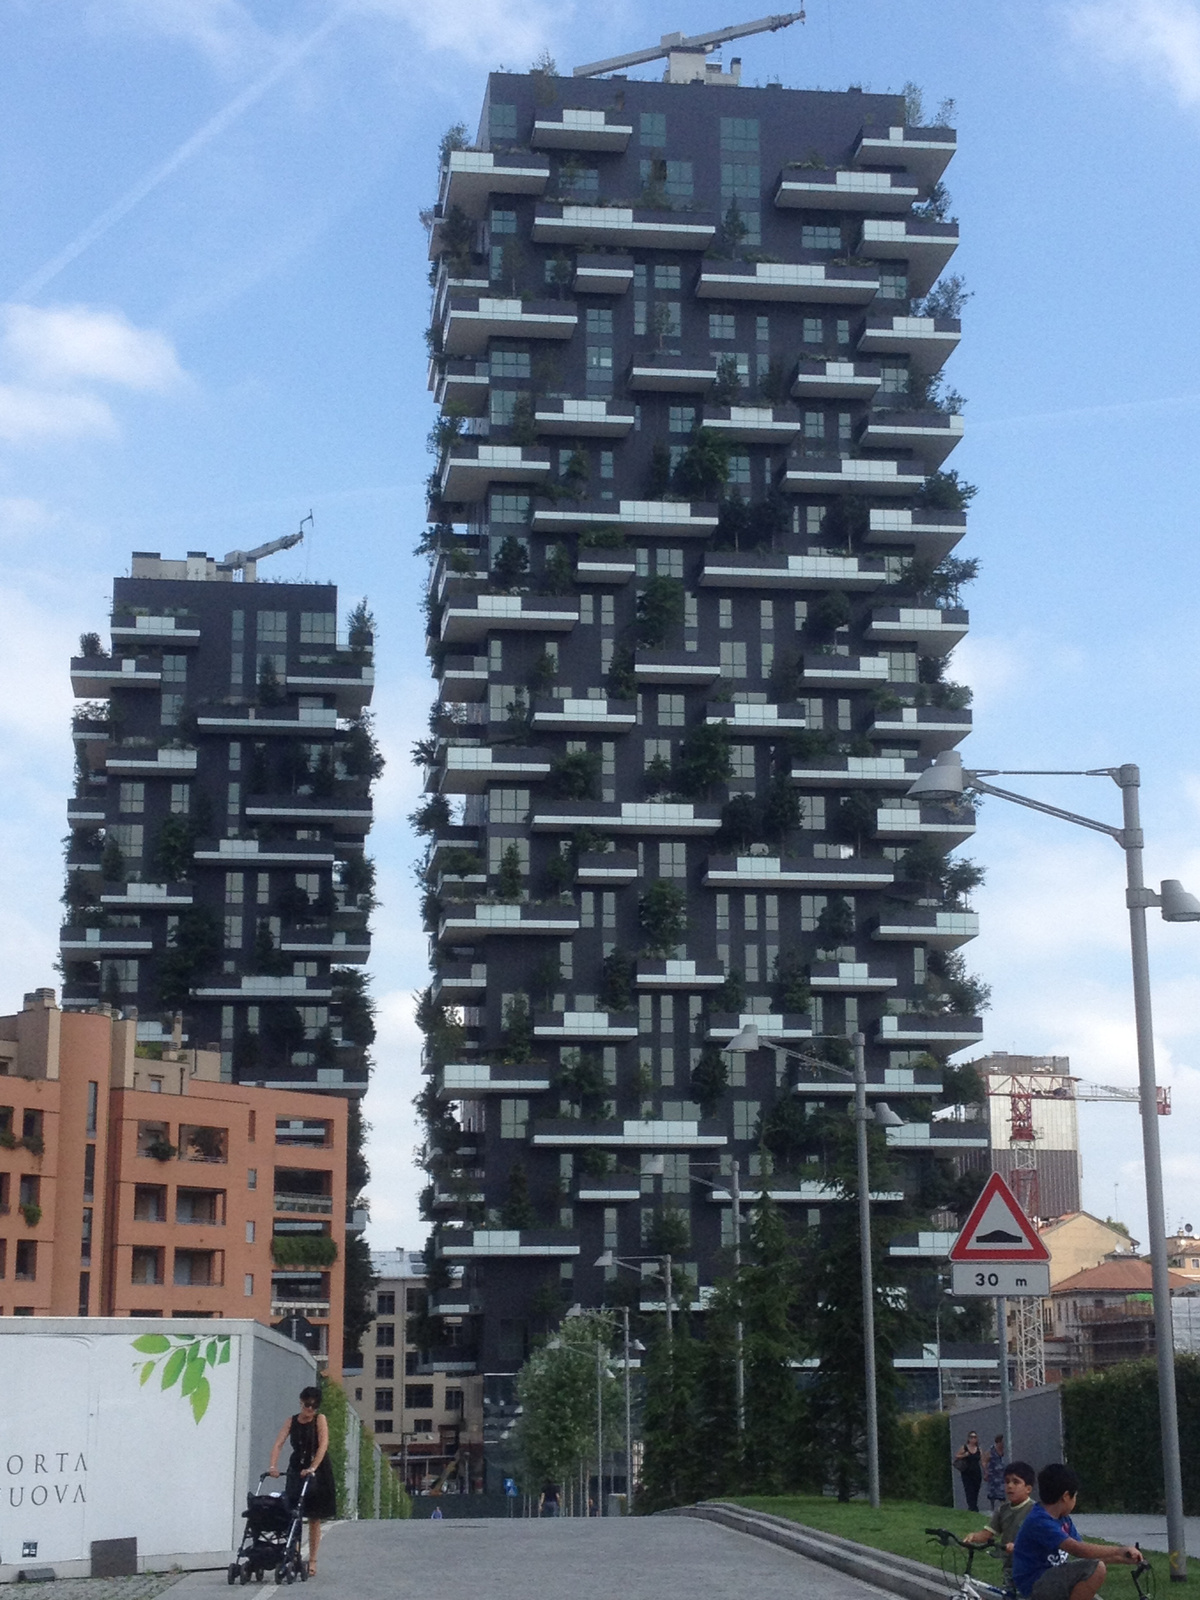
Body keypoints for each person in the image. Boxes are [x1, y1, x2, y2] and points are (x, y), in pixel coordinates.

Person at [1011, 1463, 1142, 1600]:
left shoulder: (1063, 1520)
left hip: (1053, 1578)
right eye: (1075, 1496)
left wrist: (1123, 1558)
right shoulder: (1039, 1520)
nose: (1075, 1501)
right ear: (1066, 1496)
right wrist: (1119, 1550)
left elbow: (1086, 1557)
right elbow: (1079, 1550)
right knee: (1097, 1568)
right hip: (1035, 1584)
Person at [268, 1386, 337, 1578]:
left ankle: (312, 1559)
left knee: (314, 1517)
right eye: (307, 1405)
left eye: (314, 1407)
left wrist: (313, 1467)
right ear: (301, 1402)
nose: (310, 1410)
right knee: (293, 1513)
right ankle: (294, 1554)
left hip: (318, 1471)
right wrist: (273, 1466)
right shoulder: (291, 1421)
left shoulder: (319, 1420)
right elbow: (279, 1443)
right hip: (297, 1470)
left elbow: (323, 1445)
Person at [964, 1460, 1036, 1586]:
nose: (1010, 1486)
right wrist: (973, 1537)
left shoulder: (1035, 1511)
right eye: (1007, 1481)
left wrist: (1019, 1546)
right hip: (1009, 1565)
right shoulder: (1003, 1509)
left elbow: (1039, 1539)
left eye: (1016, 1482)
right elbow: (987, 1533)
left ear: (1028, 1489)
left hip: (1029, 1567)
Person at [954, 1429, 984, 1513]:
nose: (973, 1439)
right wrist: (964, 1455)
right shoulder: (964, 1447)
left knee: (976, 1489)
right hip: (967, 1472)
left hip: (976, 1472)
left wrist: (986, 1471)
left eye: (975, 1437)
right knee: (969, 1489)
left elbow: (982, 1461)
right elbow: (957, 1456)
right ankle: (972, 1507)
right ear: (968, 1438)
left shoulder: (979, 1449)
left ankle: (974, 1505)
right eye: (971, 1437)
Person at [986, 1436, 1008, 1509]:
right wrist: (986, 1472)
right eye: (1002, 1442)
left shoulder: (1002, 1450)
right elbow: (984, 1461)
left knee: (1002, 1492)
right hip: (993, 1474)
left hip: (1001, 1475)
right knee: (992, 1492)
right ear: (999, 1442)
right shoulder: (991, 1450)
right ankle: (992, 1508)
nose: (1003, 1444)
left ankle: (1003, 1507)